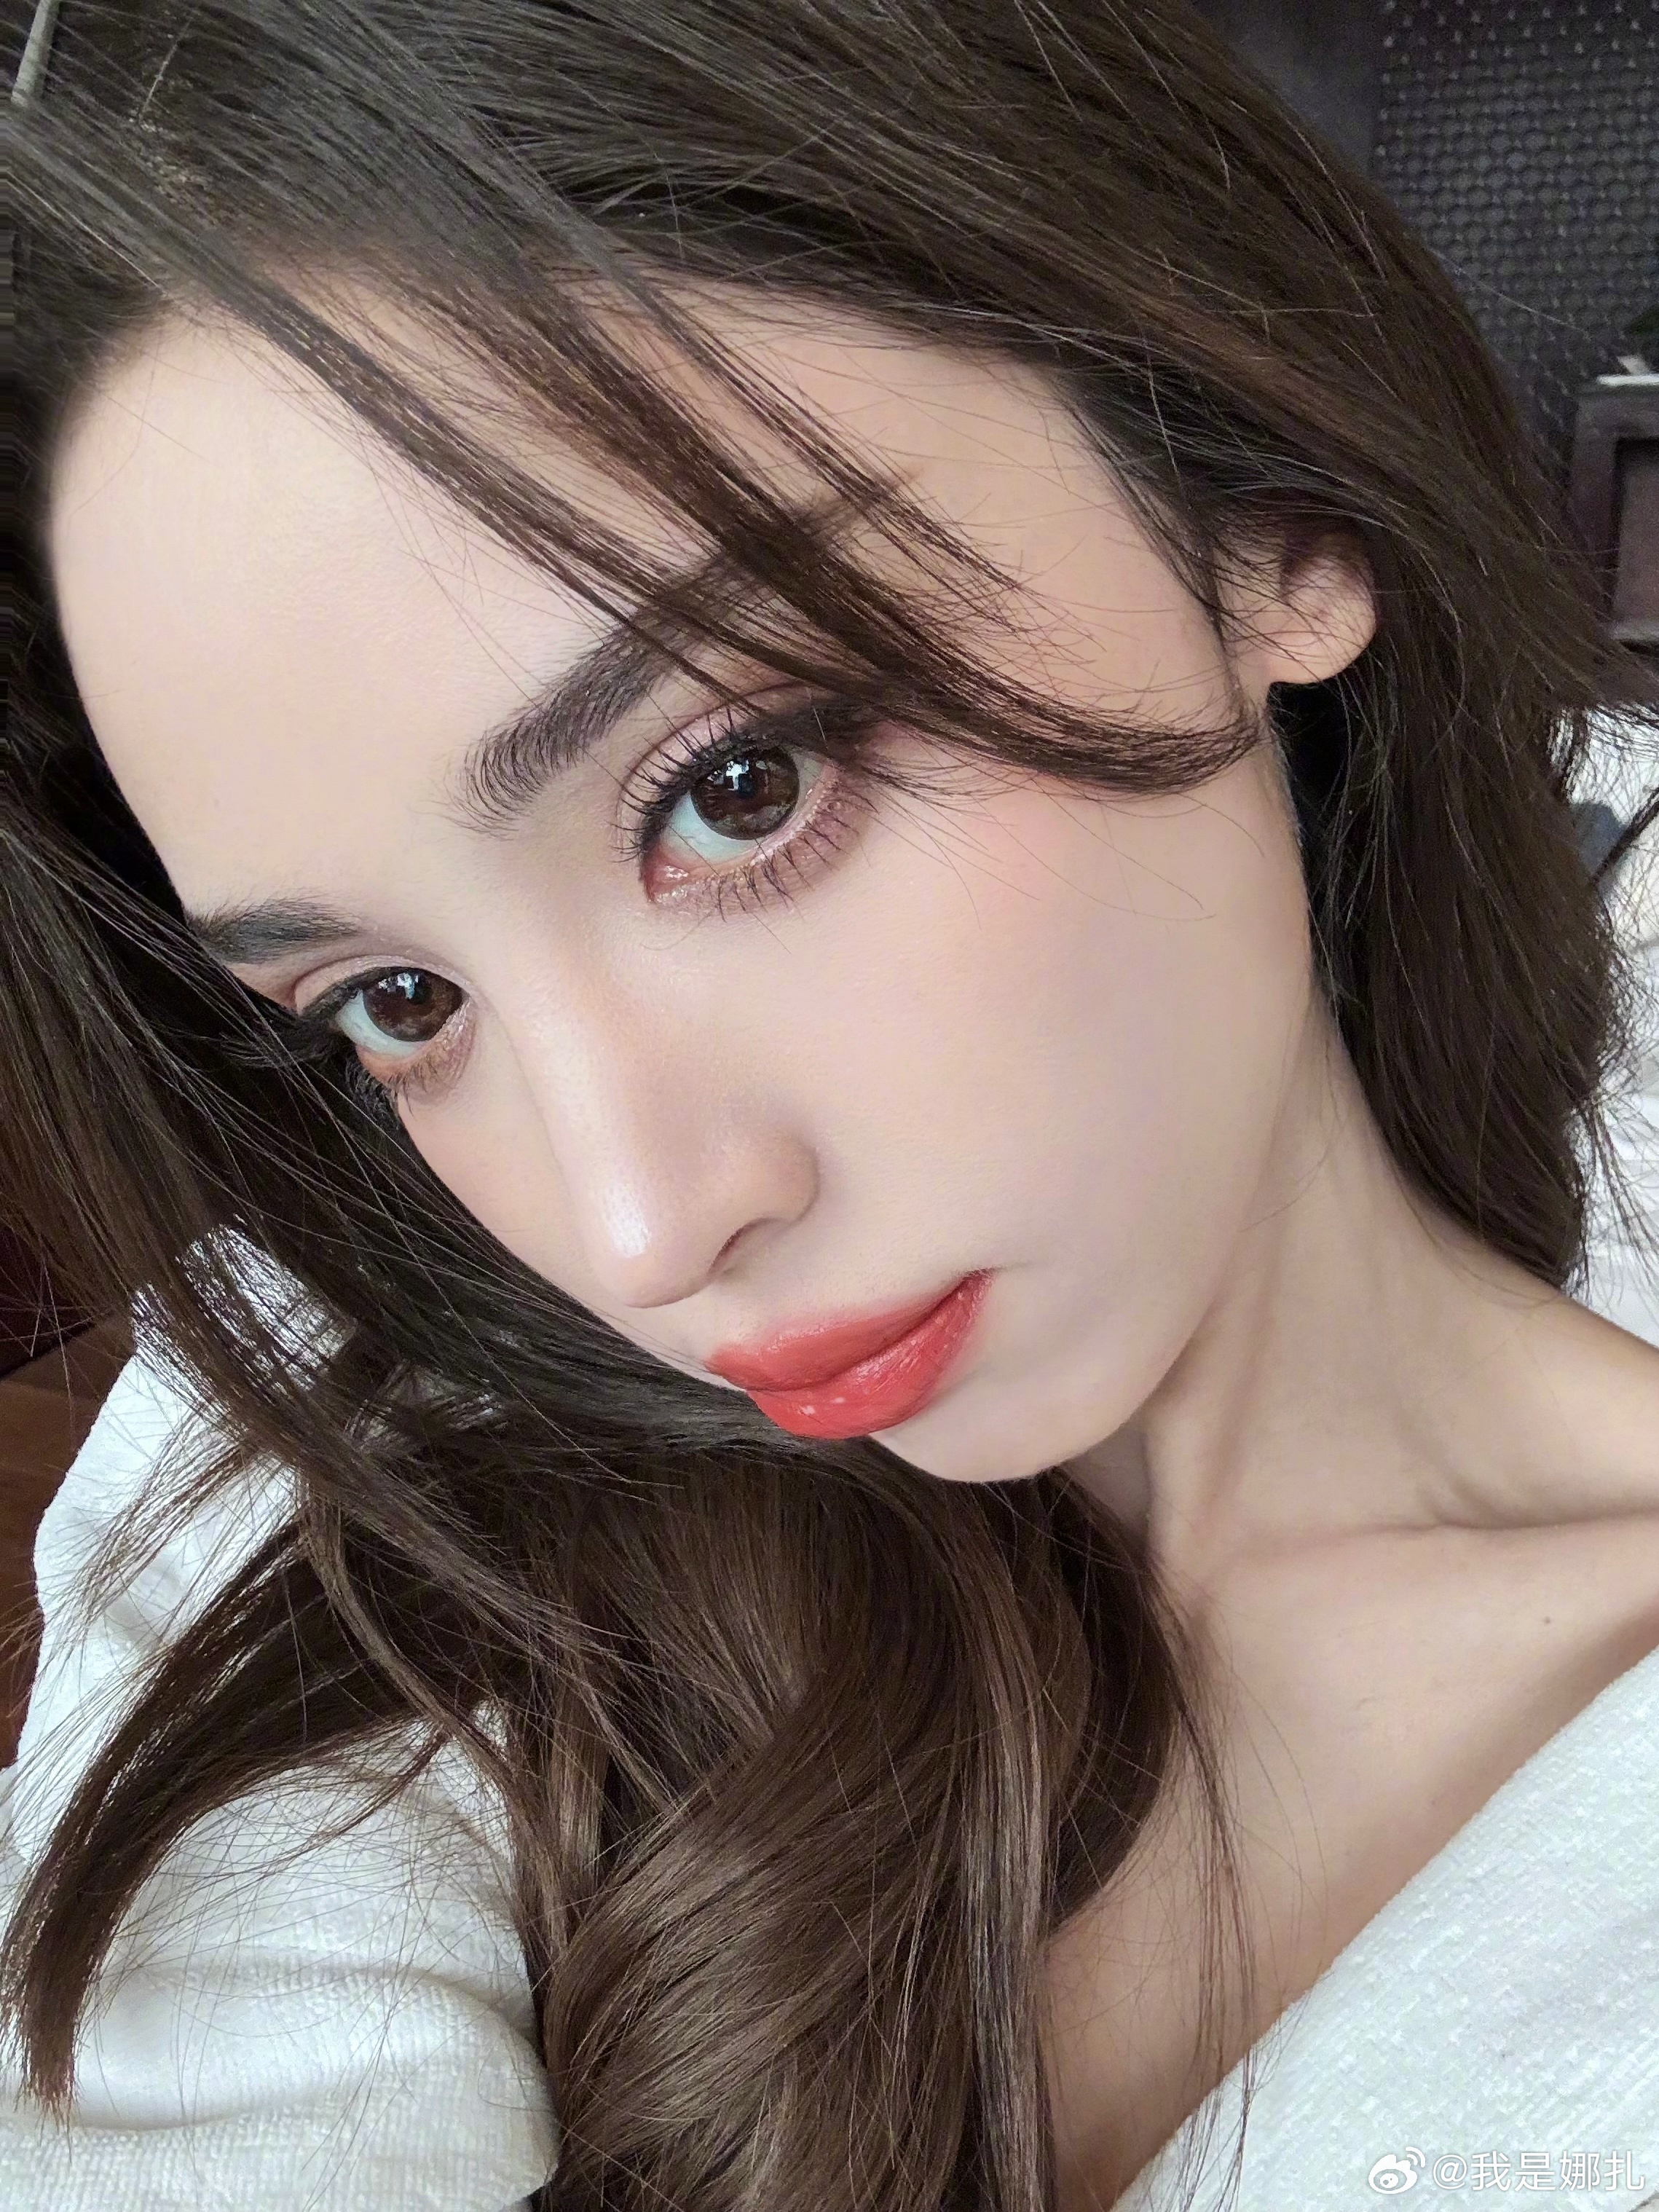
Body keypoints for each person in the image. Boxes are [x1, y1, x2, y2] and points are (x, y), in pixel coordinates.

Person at [4, 3, 1658, 2208]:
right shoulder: (395, 1514)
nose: (636, 1226)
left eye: (737, 788)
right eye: (398, 1002)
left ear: (1273, 532)